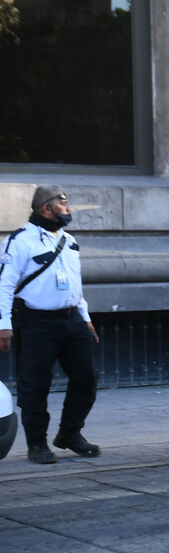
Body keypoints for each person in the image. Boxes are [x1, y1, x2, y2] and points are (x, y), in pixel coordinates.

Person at [0, 186, 100, 464]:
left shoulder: (68, 240)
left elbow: (75, 285)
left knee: (87, 376)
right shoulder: (19, 240)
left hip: (71, 319)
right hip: (35, 321)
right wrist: (3, 324)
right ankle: (37, 444)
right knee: (35, 384)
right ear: (47, 207)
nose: (68, 208)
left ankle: (70, 433)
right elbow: (4, 284)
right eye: (63, 202)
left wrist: (86, 317)